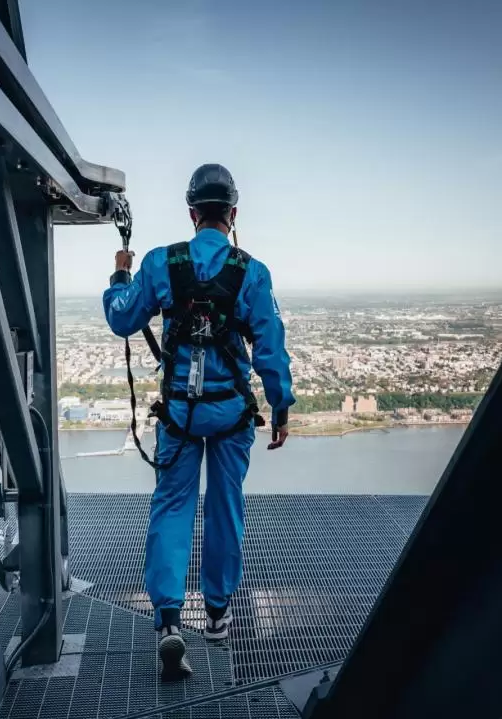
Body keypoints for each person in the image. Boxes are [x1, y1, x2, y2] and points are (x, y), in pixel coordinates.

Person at [102, 164, 294, 681]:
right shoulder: (252, 273)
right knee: (225, 506)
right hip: (231, 413)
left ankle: (168, 619)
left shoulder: (163, 263)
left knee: (172, 506)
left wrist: (121, 274)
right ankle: (216, 614)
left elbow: (122, 316)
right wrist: (280, 407)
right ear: (232, 214)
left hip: (180, 414)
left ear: (192, 213)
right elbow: (271, 351)